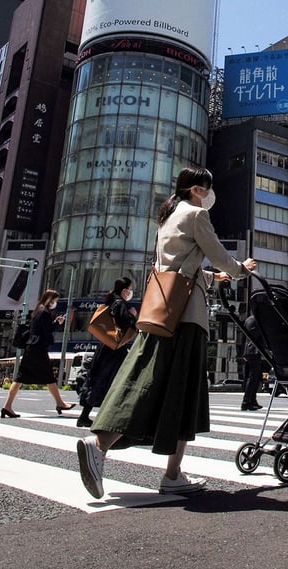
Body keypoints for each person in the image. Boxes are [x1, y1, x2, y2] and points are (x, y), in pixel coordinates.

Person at [76, 166, 257, 499]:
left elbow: (179, 268)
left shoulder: (169, 217)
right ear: (198, 189)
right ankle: (99, 445)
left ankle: (173, 473)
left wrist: (214, 278)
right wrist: (239, 270)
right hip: (185, 318)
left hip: (163, 310)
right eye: (208, 188)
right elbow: (218, 254)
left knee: (171, 388)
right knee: (169, 387)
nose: (210, 195)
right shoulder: (196, 214)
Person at [0, 289, 76, 418]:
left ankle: (7, 406)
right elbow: (45, 332)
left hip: (33, 348)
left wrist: (55, 323)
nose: (54, 304)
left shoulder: (38, 311)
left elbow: (43, 329)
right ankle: (60, 403)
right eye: (54, 301)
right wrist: (57, 324)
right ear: (48, 300)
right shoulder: (43, 313)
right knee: (46, 376)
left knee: (23, 378)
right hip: (37, 349)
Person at [77, 277, 138, 426]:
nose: (130, 292)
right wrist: (133, 316)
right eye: (130, 289)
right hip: (115, 349)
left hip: (106, 345)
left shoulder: (111, 301)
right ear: (124, 290)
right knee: (113, 379)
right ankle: (108, 416)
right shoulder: (120, 303)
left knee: (100, 379)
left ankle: (86, 416)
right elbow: (124, 322)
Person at [240, 338, 263, 411]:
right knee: (253, 378)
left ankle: (252, 400)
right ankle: (246, 402)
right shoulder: (255, 326)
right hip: (253, 351)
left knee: (255, 377)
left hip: (250, 351)